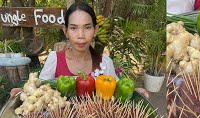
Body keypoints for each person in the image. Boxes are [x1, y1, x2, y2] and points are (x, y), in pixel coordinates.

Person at [11, 2, 148, 98]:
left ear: (95, 30)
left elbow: (118, 89)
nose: (81, 36)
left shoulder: (105, 63)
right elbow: (40, 89)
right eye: (74, 28)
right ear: (65, 31)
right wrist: (23, 91)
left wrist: (135, 92)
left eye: (87, 27)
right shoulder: (55, 59)